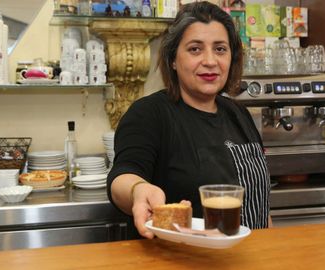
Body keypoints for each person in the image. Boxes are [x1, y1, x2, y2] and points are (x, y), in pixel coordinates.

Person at [107, 1, 271, 239]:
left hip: (250, 258)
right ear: (173, 59)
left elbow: (261, 204)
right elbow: (123, 174)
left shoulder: (239, 113)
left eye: (220, 49)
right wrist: (138, 189)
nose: (210, 61)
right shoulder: (149, 114)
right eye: (195, 49)